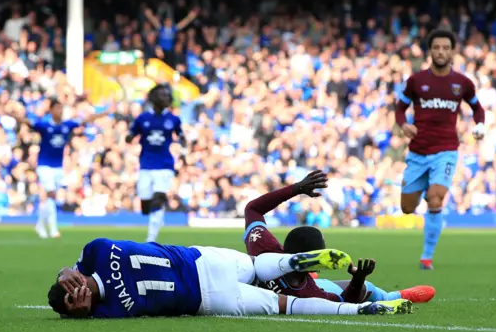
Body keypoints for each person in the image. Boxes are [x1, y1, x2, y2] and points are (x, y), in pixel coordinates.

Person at [47, 238, 413, 318]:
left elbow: (75, 271)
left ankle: (357, 308)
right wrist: (70, 275)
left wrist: (73, 296)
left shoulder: (107, 305)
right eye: (73, 302)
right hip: (204, 276)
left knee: (278, 297)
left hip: (204, 279)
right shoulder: (95, 254)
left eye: (70, 292)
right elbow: (77, 265)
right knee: (266, 278)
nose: (76, 296)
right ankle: (295, 263)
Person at [243, 170, 435, 304]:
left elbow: (252, 208)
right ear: (312, 258)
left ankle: (403, 294)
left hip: (300, 278)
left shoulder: (264, 247)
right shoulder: (310, 294)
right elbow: (344, 302)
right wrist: (359, 279)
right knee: (367, 289)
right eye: (323, 252)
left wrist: (296, 188)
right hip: (303, 285)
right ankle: (396, 296)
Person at [395, 29, 486, 270]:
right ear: (430, 51)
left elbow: (478, 109)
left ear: (452, 50)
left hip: (446, 150)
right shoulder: (416, 81)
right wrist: (404, 125)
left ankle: (426, 257)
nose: (441, 52)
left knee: (436, 198)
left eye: (446, 47)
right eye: (436, 47)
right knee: (407, 208)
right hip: (417, 152)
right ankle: (425, 187)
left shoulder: (462, 83)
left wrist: (479, 125)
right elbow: (399, 109)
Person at [11, 100, 108, 238]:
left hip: (58, 167)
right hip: (44, 165)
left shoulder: (66, 126)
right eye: (57, 108)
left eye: (61, 108)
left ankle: (40, 224)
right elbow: (27, 122)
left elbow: (85, 120)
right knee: (51, 194)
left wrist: (104, 113)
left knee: (51, 198)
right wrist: (13, 115)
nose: (60, 111)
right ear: (51, 110)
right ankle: (53, 229)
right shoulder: (44, 126)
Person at [126, 84, 186, 242]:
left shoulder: (173, 119)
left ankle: (151, 238)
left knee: (158, 198)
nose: (166, 98)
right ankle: (157, 216)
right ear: (153, 99)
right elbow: (132, 133)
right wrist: (129, 137)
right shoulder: (142, 118)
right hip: (146, 165)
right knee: (146, 204)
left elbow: (181, 136)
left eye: (167, 96)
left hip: (165, 165)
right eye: (162, 95)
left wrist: (184, 152)